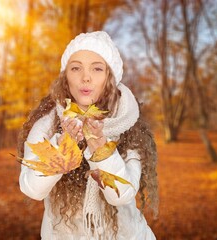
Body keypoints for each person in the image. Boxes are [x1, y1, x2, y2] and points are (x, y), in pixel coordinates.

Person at [18, 31, 158, 240]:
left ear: (110, 76)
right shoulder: (47, 124)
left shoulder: (127, 123)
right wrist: (64, 148)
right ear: (66, 75)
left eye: (97, 68)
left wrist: (100, 149)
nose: (86, 77)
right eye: (76, 68)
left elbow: (122, 195)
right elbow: (32, 189)